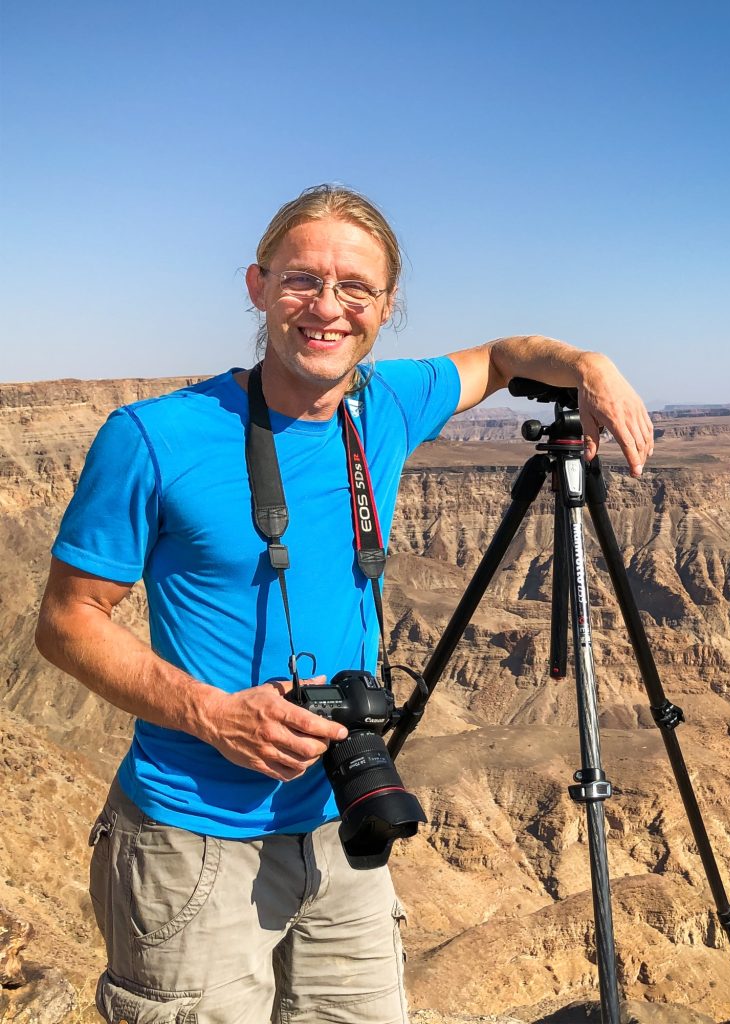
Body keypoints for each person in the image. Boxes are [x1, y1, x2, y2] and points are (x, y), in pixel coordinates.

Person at [35, 184, 654, 1024]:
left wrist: (587, 362)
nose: (327, 308)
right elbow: (67, 619)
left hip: (344, 825)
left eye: (355, 288)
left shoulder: (386, 403)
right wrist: (213, 714)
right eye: (301, 281)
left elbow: (504, 356)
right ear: (257, 286)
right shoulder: (152, 436)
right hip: (191, 841)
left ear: (386, 306)